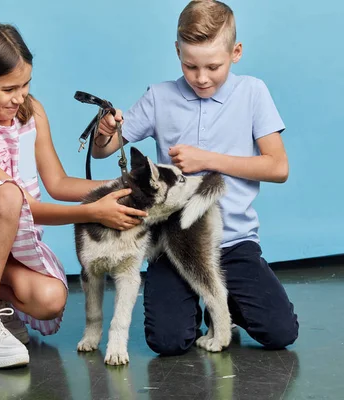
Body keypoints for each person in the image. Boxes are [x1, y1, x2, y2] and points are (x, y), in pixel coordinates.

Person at [0, 21, 148, 369]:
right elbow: (23, 206)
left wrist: (119, 188)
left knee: (52, 299)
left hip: (12, 243)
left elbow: (58, 183)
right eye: (8, 88)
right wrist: (94, 212)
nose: (20, 96)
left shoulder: (32, 113)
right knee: (10, 194)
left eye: (26, 83)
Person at [93, 0, 299, 354]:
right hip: (173, 240)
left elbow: (277, 167)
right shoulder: (159, 97)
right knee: (168, 342)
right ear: (177, 52)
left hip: (234, 242)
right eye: (190, 66)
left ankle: (225, 305)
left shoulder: (253, 92)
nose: (202, 78)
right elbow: (104, 150)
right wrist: (104, 130)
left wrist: (208, 160)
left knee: (281, 332)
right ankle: (201, 305)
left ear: (236, 52)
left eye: (213, 67)